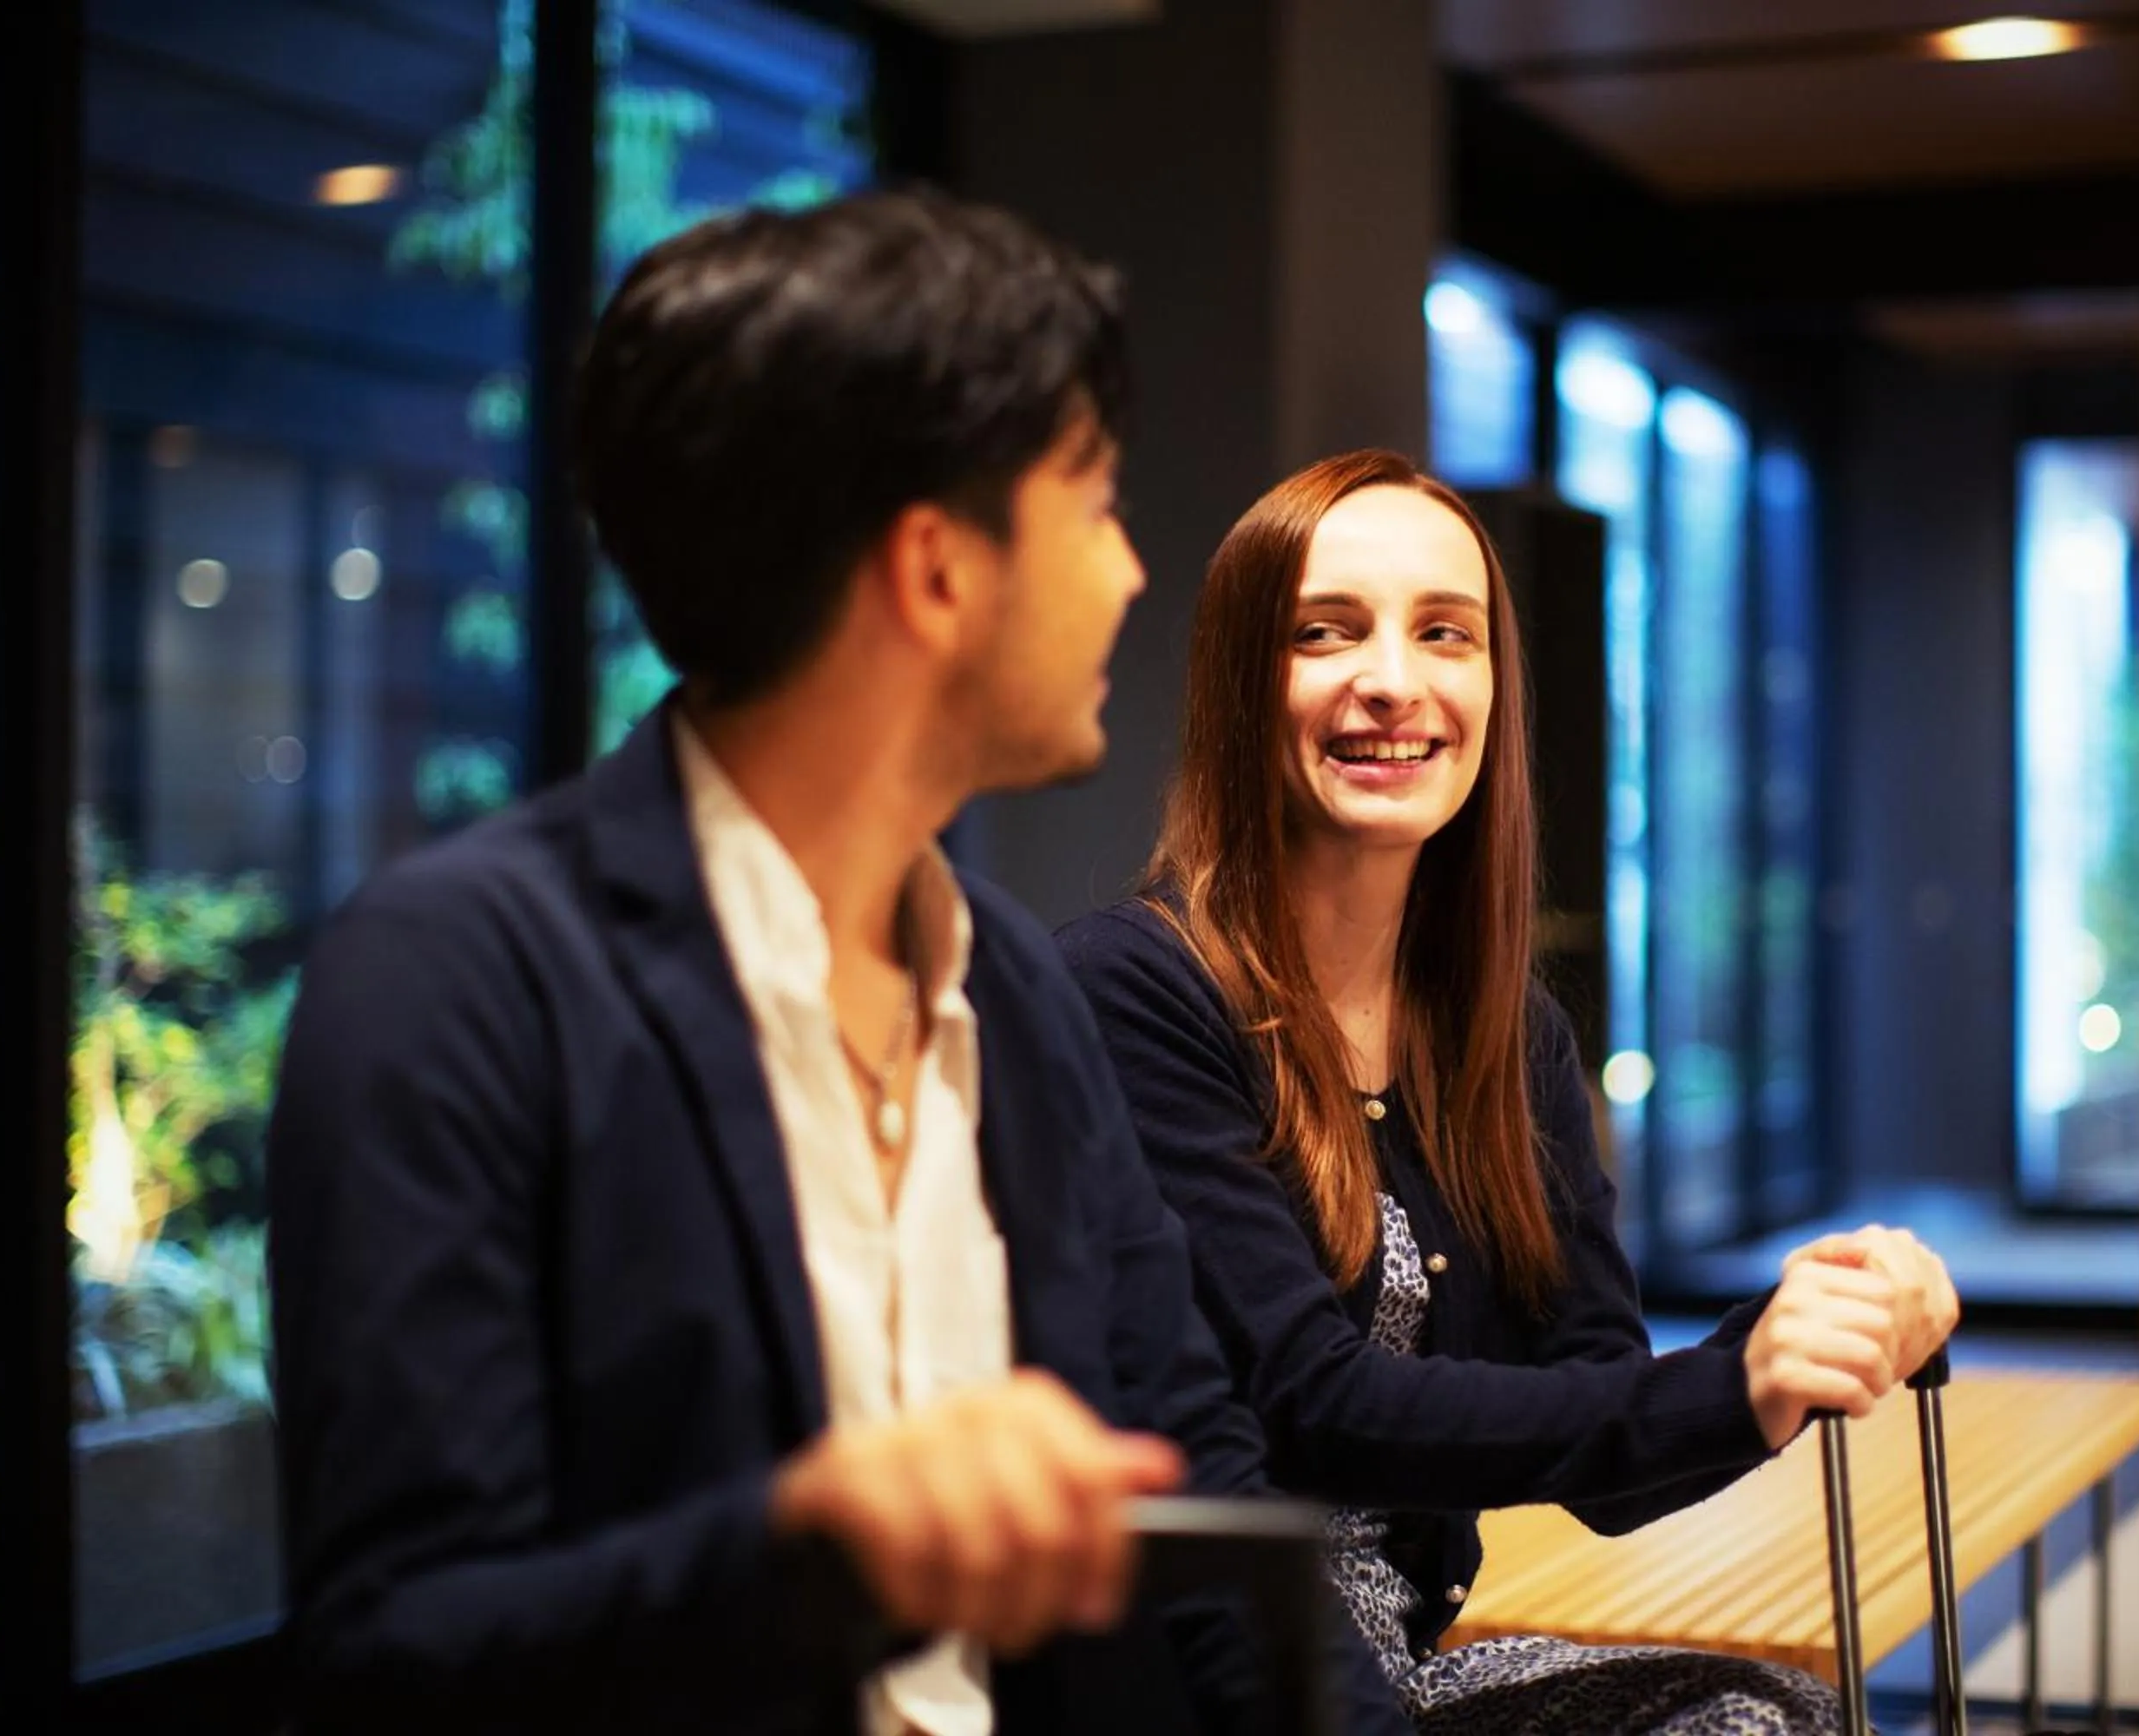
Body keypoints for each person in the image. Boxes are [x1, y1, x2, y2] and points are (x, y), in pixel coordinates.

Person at [267, 193, 1406, 1736]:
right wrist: (812, 1549)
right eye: (1094, 507)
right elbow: (390, 1649)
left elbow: (1197, 1476)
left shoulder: (1011, 986)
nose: (1133, 573)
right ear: (936, 570)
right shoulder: (457, 981)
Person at [1058, 449, 1960, 1734]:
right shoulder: (1133, 991)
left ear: (1493, 687)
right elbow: (1312, 1404)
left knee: (1774, 1716)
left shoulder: (1505, 1033)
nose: (1394, 681)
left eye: (1446, 633)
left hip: (1399, 1672)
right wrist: (1731, 1386)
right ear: (1238, 679)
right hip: (1215, 1689)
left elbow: (1606, 1434)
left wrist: (1795, 1335)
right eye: (1326, 632)